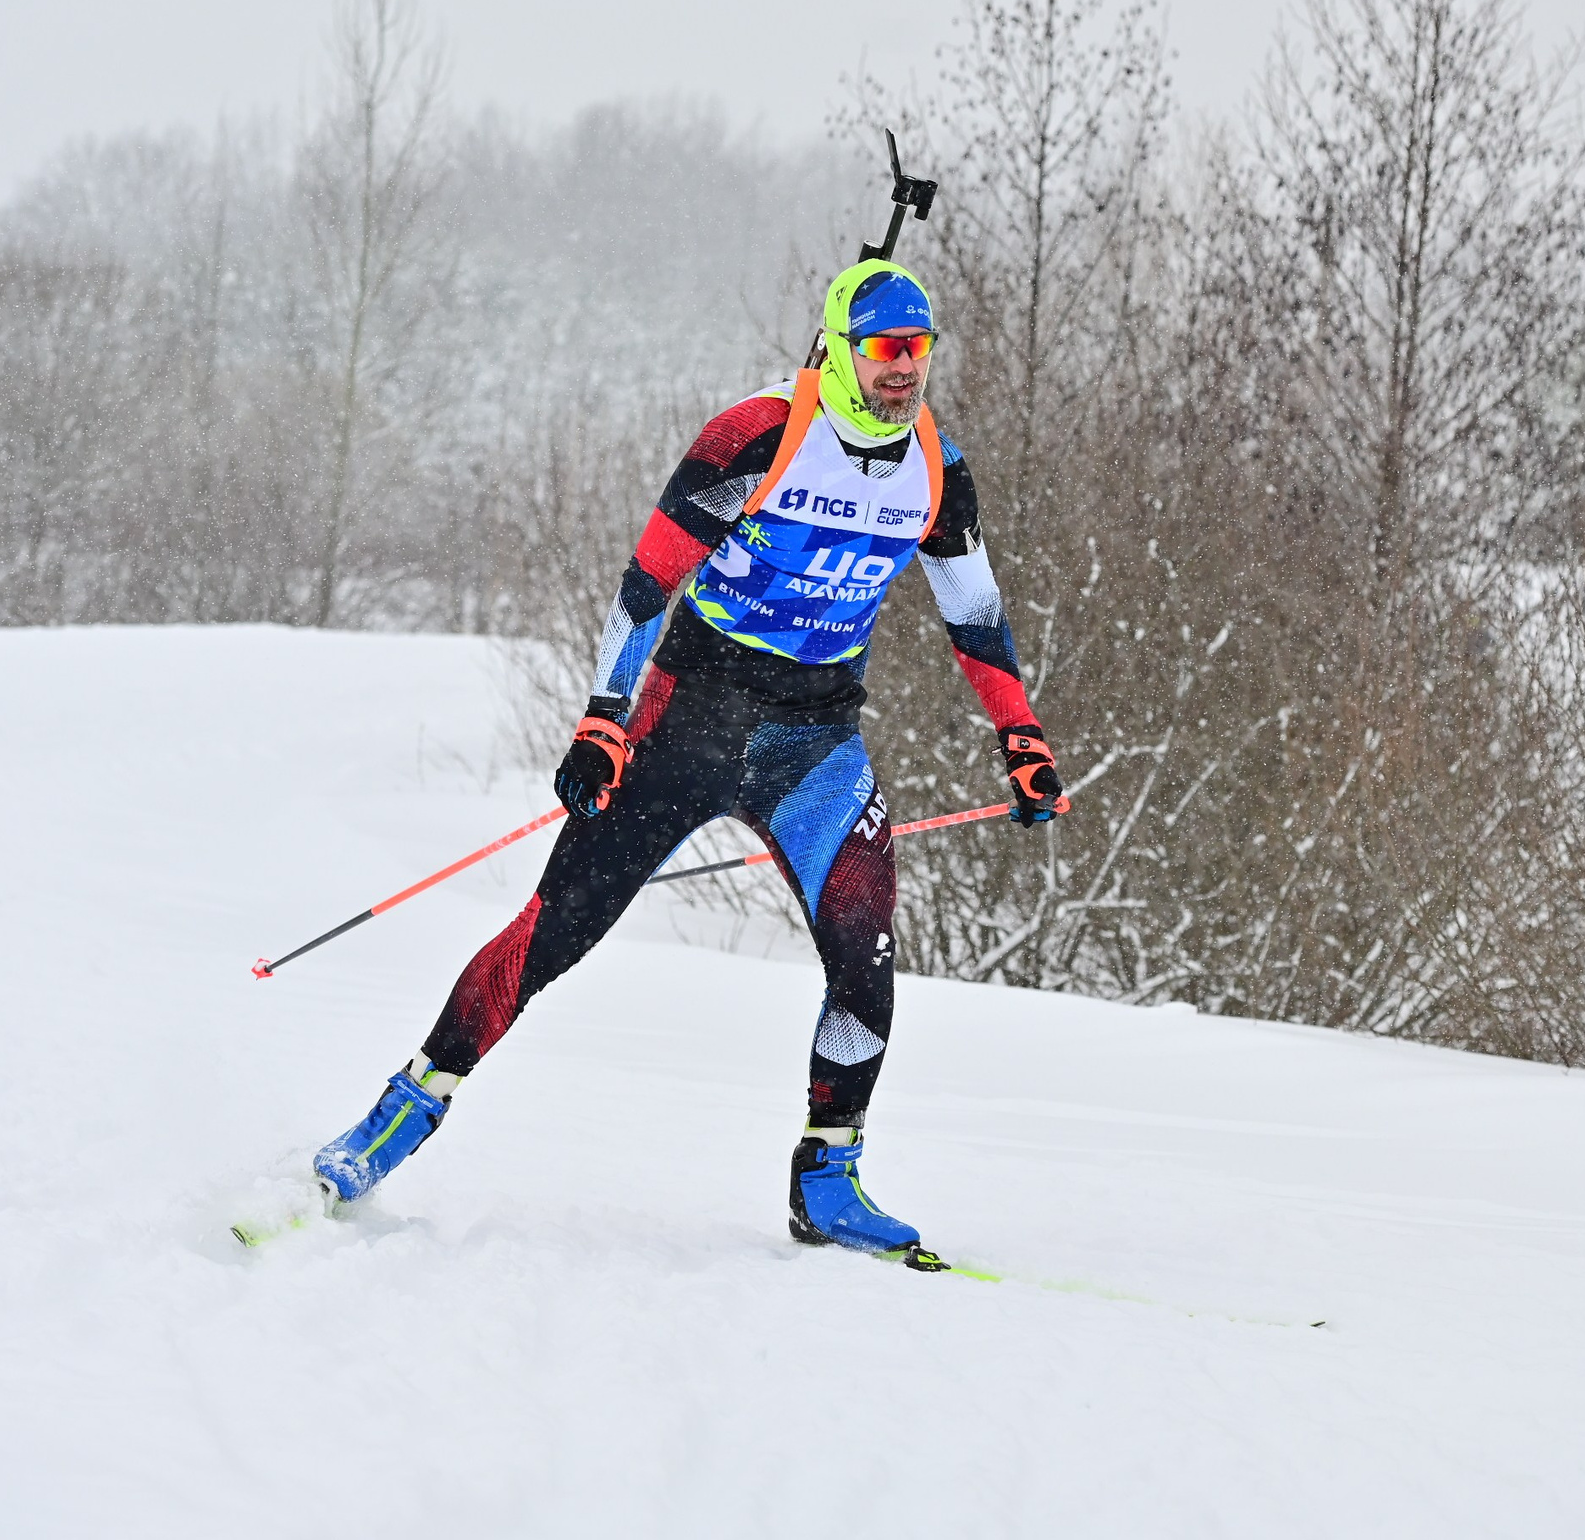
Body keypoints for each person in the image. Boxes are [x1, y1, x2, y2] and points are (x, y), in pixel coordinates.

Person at [309, 258, 1063, 1258]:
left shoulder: (938, 469)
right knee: (552, 936)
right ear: (837, 350)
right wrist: (601, 721)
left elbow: (976, 617)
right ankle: (397, 1117)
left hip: (814, 742)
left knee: (864, 949)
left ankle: (827, 1182)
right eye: (883, 348)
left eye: (918, 350)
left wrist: (1021, 739)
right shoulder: (753, 435)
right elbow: (643, 587)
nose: (903, 369)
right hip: (685, 722)